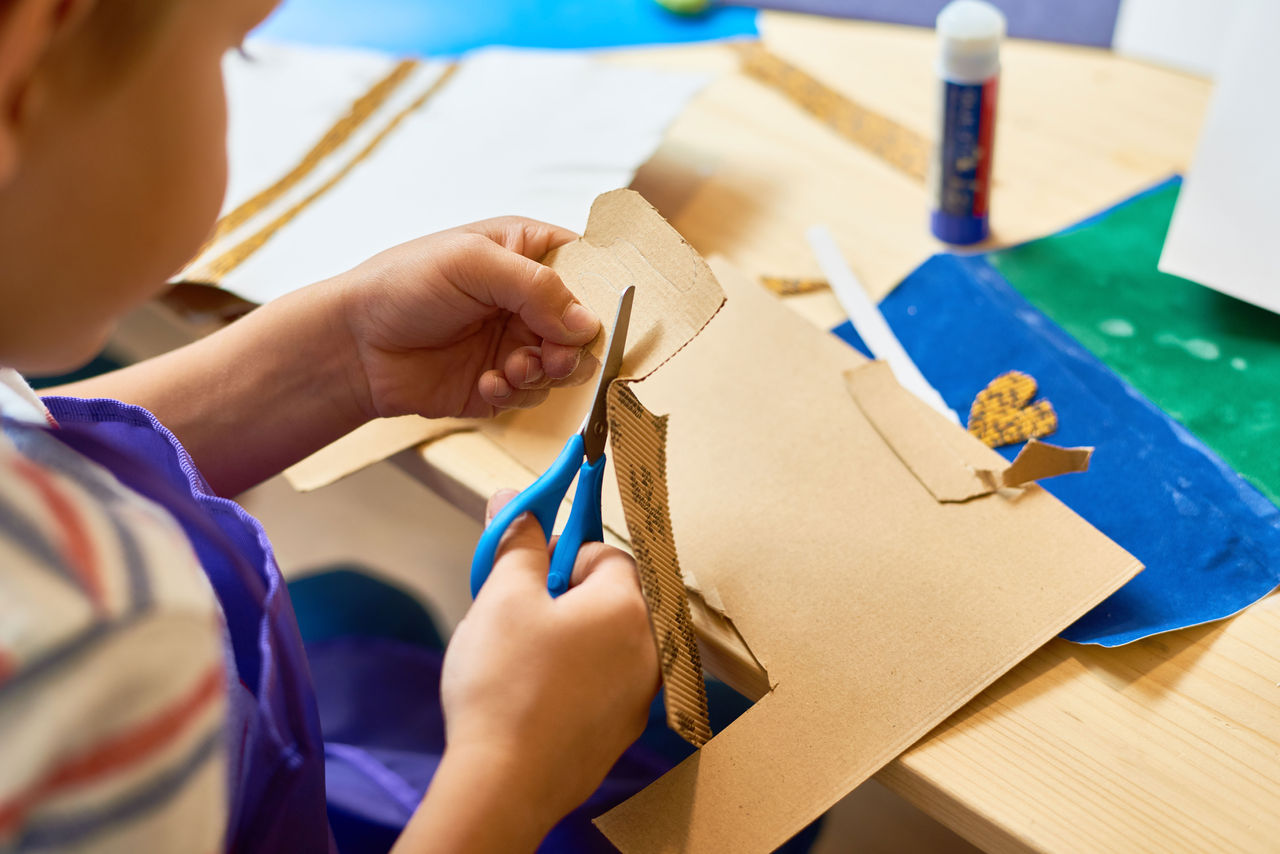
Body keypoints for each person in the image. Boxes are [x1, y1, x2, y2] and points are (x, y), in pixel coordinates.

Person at [0, 0, 661, 851]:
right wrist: (511, 773)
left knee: (359, 606)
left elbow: (28, 445)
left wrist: (341, 357)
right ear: (21, 70)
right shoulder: (97, 646)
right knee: (698, 740)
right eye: (232, 54)